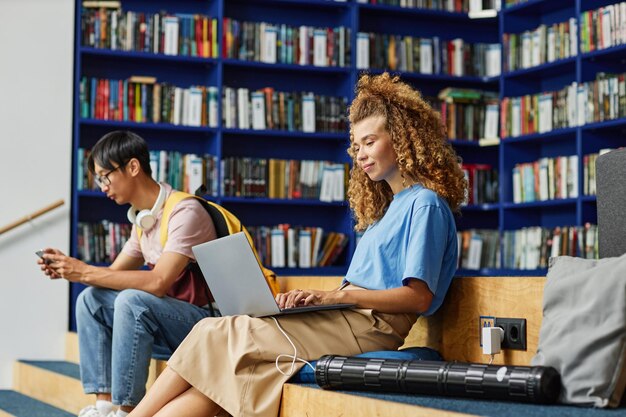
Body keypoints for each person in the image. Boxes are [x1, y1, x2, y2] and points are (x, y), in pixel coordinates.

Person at [127, 72, 467, 417]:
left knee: (220, 331)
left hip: (371, 328)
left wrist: (337, 296)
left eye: (369, 142)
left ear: (400, 138)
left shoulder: (425, 205)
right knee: (228, 366)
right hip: (345, 318)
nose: (361, 155)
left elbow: (419, 297)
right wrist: (316, 301)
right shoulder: (385, 213)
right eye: (357, 145)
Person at [37, 131, 219, 417]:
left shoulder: (185, 212)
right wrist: (70, 269)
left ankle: (126, 410)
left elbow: (158, 282)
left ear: (132, 167)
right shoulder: (142, 220)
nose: (102, 187)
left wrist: (83, 271)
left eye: (105, 176)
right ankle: (104, 406)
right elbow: (111, 276)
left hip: (208, 325)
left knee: (132, 300)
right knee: (91, 299)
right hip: (171, 322)